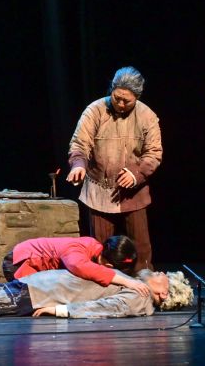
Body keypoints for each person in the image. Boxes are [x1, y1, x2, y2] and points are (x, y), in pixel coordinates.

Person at [65, 67, 162, 273]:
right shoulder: (95, 110)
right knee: (100, 248)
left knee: (140, 248)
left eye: (127, 101)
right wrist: (79, 165)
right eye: (117, 98)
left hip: (133, 192)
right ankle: (101, 283)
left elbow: (153, 153)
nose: (120, 104)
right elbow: (80, 144)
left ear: (137, 97)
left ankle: (143, 282)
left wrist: (136, 174)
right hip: (99, 190)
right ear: (112, 90)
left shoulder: (147, 116)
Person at [0, 269, 192, 320]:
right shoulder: (134, 283)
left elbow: (107, 308)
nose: (159, 271)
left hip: (39, 296)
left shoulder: (140, 297)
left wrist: (62, 310)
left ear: (164, 293)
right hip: (36, 286)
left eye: (164, 276)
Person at [2, 235, 150, 297]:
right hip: (19, 263)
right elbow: (80, 266)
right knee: (24, 299)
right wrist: (126, 281)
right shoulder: (78, 250)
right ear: (109, 265)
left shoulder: (95, 248)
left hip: (32, 265)